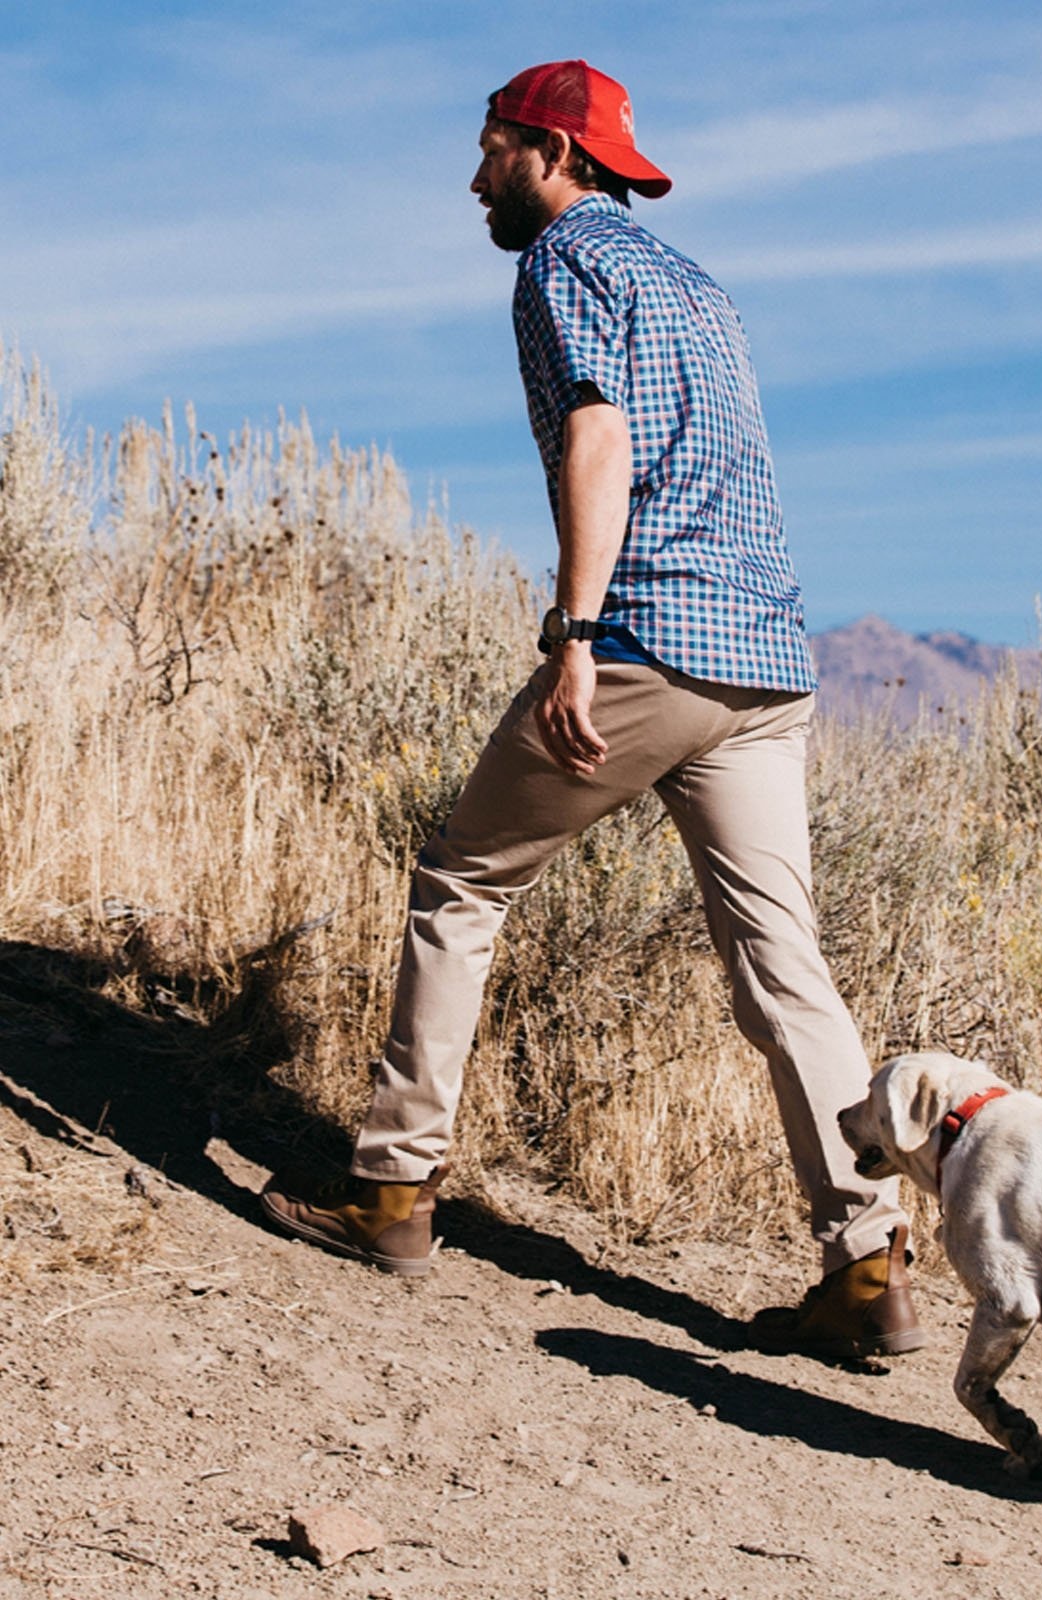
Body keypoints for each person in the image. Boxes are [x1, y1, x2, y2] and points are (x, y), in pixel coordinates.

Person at [261, 59, 924, 1362]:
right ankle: (869, 1266)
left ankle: (392, 1191)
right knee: (786, 967)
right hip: (767, 665)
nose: (476, 178)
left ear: (553, 156)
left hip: (650, 640)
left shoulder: (563, 262)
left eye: (493, 148)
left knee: (461, 878)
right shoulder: (702, 287)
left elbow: (600, 443)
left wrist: (575, 635)